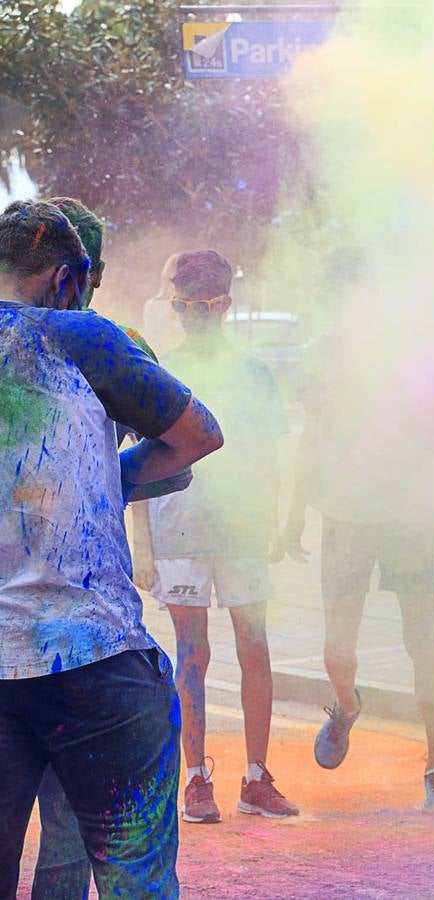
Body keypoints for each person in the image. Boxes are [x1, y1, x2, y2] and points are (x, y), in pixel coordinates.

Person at [0, 200, 223, 898]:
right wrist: (109, 482)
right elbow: (197, 436)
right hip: (91, 658)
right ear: (67, 279)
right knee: (135, 882)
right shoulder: (84, 337)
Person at [28, 196, 178, 899]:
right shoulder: (112, 342)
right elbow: (180, 453)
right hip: (85, 632)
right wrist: (106, 485)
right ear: (90, 271)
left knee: (61, 831)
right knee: (79, 832)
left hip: (37, 629)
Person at [274, 326, 434, 811]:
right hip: (346, 516)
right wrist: (294, 518)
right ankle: (348, 707)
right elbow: (311, 443)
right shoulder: (330, 357)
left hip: (407, 518)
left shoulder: (415, 368)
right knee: (337, 650)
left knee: (423, 641)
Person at [145, 250, 299, 824]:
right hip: (178, 524)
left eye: (203, 308)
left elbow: (268, 455)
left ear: (225, 307)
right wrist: (142, 544)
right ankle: (195, 780)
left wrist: (279, 520)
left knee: (253, 645)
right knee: (193, 653)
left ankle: (255, 778)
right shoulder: (161, 369)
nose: (193, 319)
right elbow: (138, 456)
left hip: (241, 527)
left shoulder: (255, 374)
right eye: (184, 308)